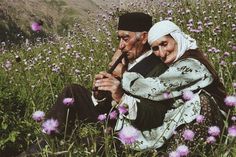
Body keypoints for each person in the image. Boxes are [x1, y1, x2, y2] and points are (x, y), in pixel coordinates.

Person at [20, 12, 170, 156]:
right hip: (110, 117)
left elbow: (154, 116)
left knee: (84, 146)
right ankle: (44, 142)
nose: (121, 46)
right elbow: (108, 103)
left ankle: (49, 149)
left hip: (128, 131)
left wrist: (122, 89)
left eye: (125, 38)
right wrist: (99, 96)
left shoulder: (158, 67)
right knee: (72, 91)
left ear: (143, 37)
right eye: (119, 38)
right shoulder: (126, 60)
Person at [121, 20, 232, 155]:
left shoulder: (192, 64)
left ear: (177, 38)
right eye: (155, 48)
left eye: (164, 44)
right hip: (204, 127)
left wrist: (124, 76)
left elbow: (157, 88)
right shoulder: (179, 62)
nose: (161, 53)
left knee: (200, 101)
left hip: (214, 123)